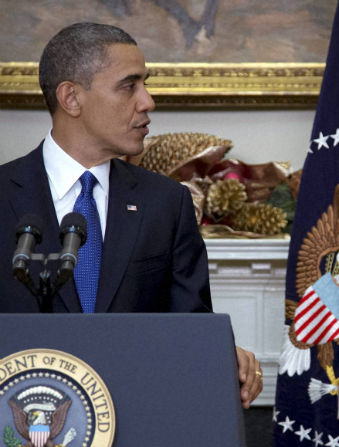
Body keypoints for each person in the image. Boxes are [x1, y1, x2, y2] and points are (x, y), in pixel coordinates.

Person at [0, 22, 262, 409]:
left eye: (145, 84)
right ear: (71, 98)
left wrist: (219, 353)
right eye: (129, 86)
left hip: (139, 415)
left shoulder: (167, 203)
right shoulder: (5, 194)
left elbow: (189, 326)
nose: (147, 102)